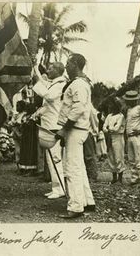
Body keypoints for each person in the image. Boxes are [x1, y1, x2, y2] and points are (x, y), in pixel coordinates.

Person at [56, 53, 95, 219]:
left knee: (72, 168)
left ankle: (76, 207)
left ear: (76, 65)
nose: (66, 66)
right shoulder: (78, 83)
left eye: (68, 63)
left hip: (75, 129)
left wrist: (65, 129)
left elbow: (78, 109)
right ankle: (87, 201)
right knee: (79, 167)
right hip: (77, 129)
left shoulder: (79, 84)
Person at [32, 61, 67, 199]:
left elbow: (48, 95)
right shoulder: (54, 83)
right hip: (49, 124)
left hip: (54, 125)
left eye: (51, 68)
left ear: (58, 70)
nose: (48, 70)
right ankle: (56, 187)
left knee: (55, 158)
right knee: (51, 158)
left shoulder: (60, 84)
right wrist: (35, 68)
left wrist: (37, 81)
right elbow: (43, 83)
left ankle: (61, 189)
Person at [103, 99, 125, 184]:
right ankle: (114, 177)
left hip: (118, 137)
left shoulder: (121, 116)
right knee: (111, 156)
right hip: (110, 137)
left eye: (112, 106)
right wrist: (108, 129)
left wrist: (109, 128)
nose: (110, 107)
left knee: (118, 157)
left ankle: (120, 178)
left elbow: (117, 128)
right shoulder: (109, 116)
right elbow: (104, 127)